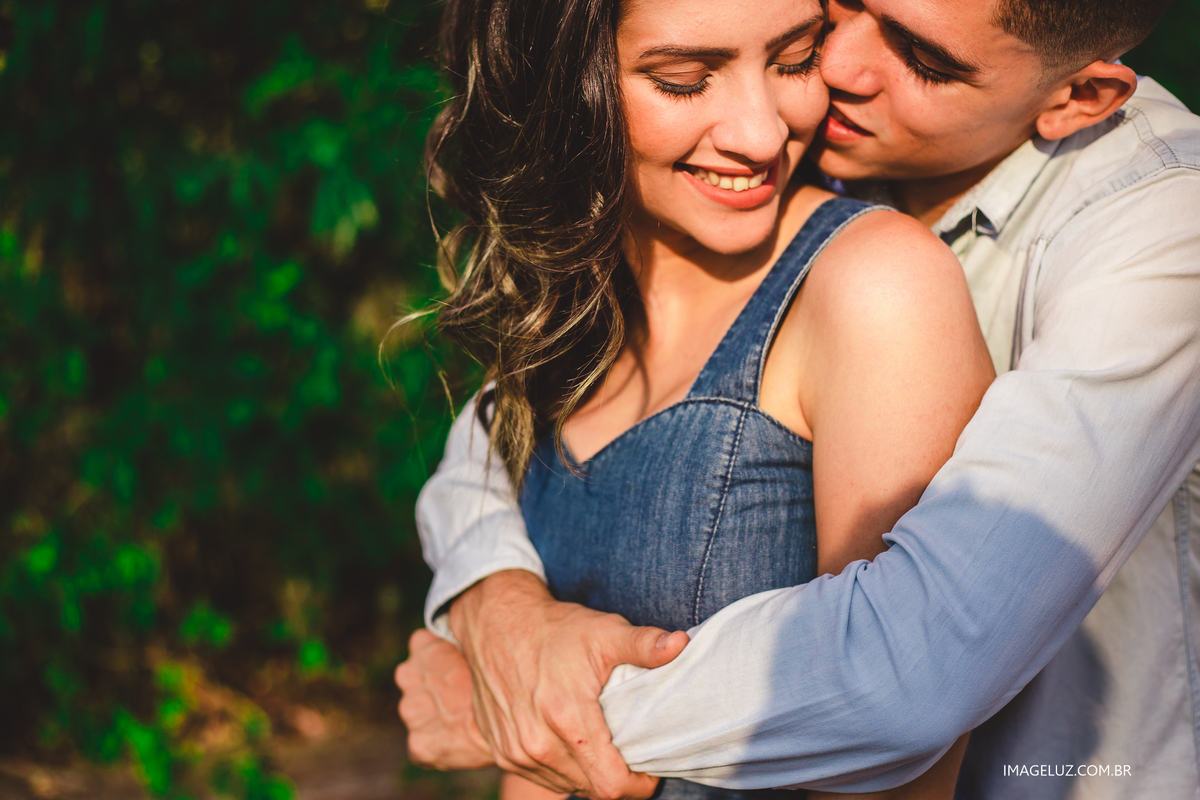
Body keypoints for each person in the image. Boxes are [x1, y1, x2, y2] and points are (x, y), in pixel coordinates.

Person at [401, 0, 1200, 798]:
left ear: (1077, 99)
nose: (837, 70)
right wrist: (494, 604)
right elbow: (495, 437)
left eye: (921, 59)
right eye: (836, 13)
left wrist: (526, 711)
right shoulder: (760, 174)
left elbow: (911, 672)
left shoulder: (1160, 229)